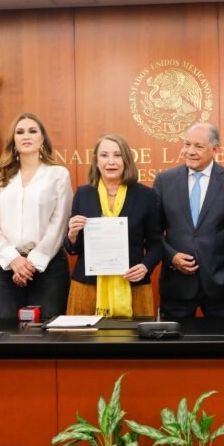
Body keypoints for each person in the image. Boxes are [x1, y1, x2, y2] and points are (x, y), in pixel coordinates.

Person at [153, 122, 224, 319]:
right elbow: (153, 231)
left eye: (198, 146)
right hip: (176, 285)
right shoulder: (164, 181)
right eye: (186, 144)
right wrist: (171, 256)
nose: (190, 151)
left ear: (215, 149)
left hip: (222, 286)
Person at [0, 112, 73, 321]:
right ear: (13, 140)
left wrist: (32, 262)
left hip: (48, 267)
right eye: (20, 132)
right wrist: (14, 260)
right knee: (8, 335)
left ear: (42, 139)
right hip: (6, 267)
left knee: (47, 333)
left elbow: (59, 224)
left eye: (33, 131)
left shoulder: (58, 174)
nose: (26, 136)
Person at [65, 133, 162, 317]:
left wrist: (145, 266)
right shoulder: (83, 194)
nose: (111, 161)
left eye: (117, 155)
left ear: (126, 159)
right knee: (84, 344)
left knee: (133, 343)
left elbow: (156, 244)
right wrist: (72, 235)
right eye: (104, 155)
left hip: (133, 285)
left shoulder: (146, 196)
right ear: (96, 161)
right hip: (88, 287)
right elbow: (73, 249)